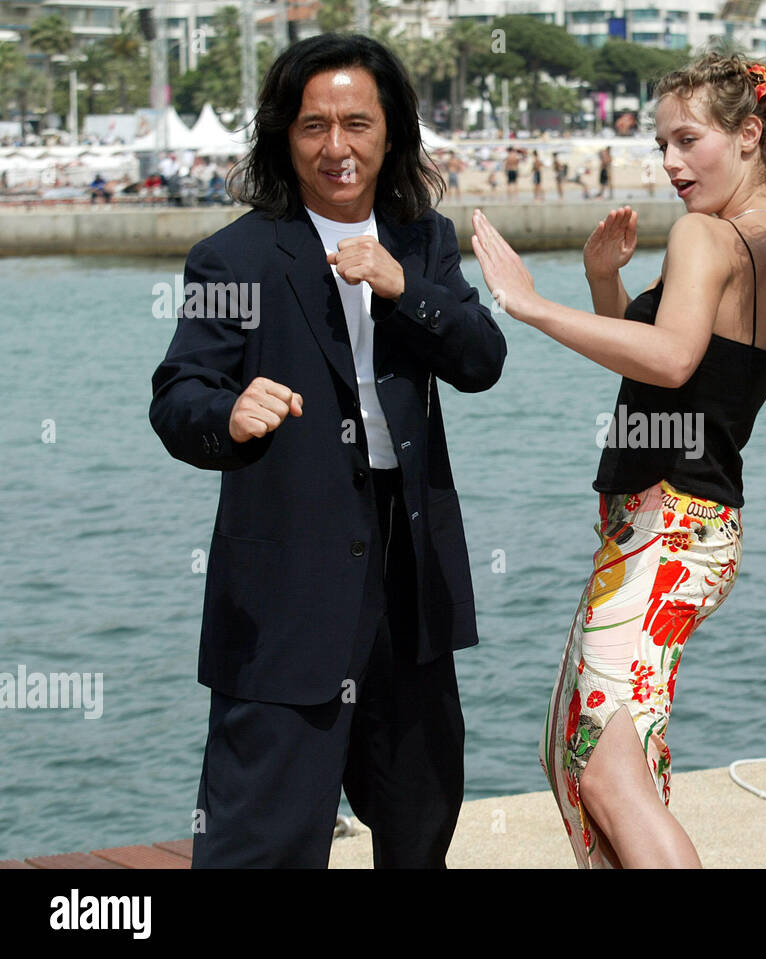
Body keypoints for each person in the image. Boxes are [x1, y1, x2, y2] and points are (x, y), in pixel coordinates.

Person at [148, 33, 506, 868]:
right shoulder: (233, 256)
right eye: (314, 126)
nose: (336, 147)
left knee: (418, 828)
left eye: (357, 123)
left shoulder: (423, 241)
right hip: (283, 584)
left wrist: (404, 288)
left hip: (409, 571)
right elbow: (176, 397)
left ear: (391, 133)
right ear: (284, 135)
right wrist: (229, 413)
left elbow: (481, 360)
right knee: (260, 839)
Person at [471, 54, 766, 868]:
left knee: (599, 762)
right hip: (690, 526)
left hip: (667, 523)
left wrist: (530, 303)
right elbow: (668, 368)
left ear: (751, 135)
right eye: (662, 145)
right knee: (589, 752)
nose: (671, 164)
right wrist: (601, 281)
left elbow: (674, 360)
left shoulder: (706, 234)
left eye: (689, 141)